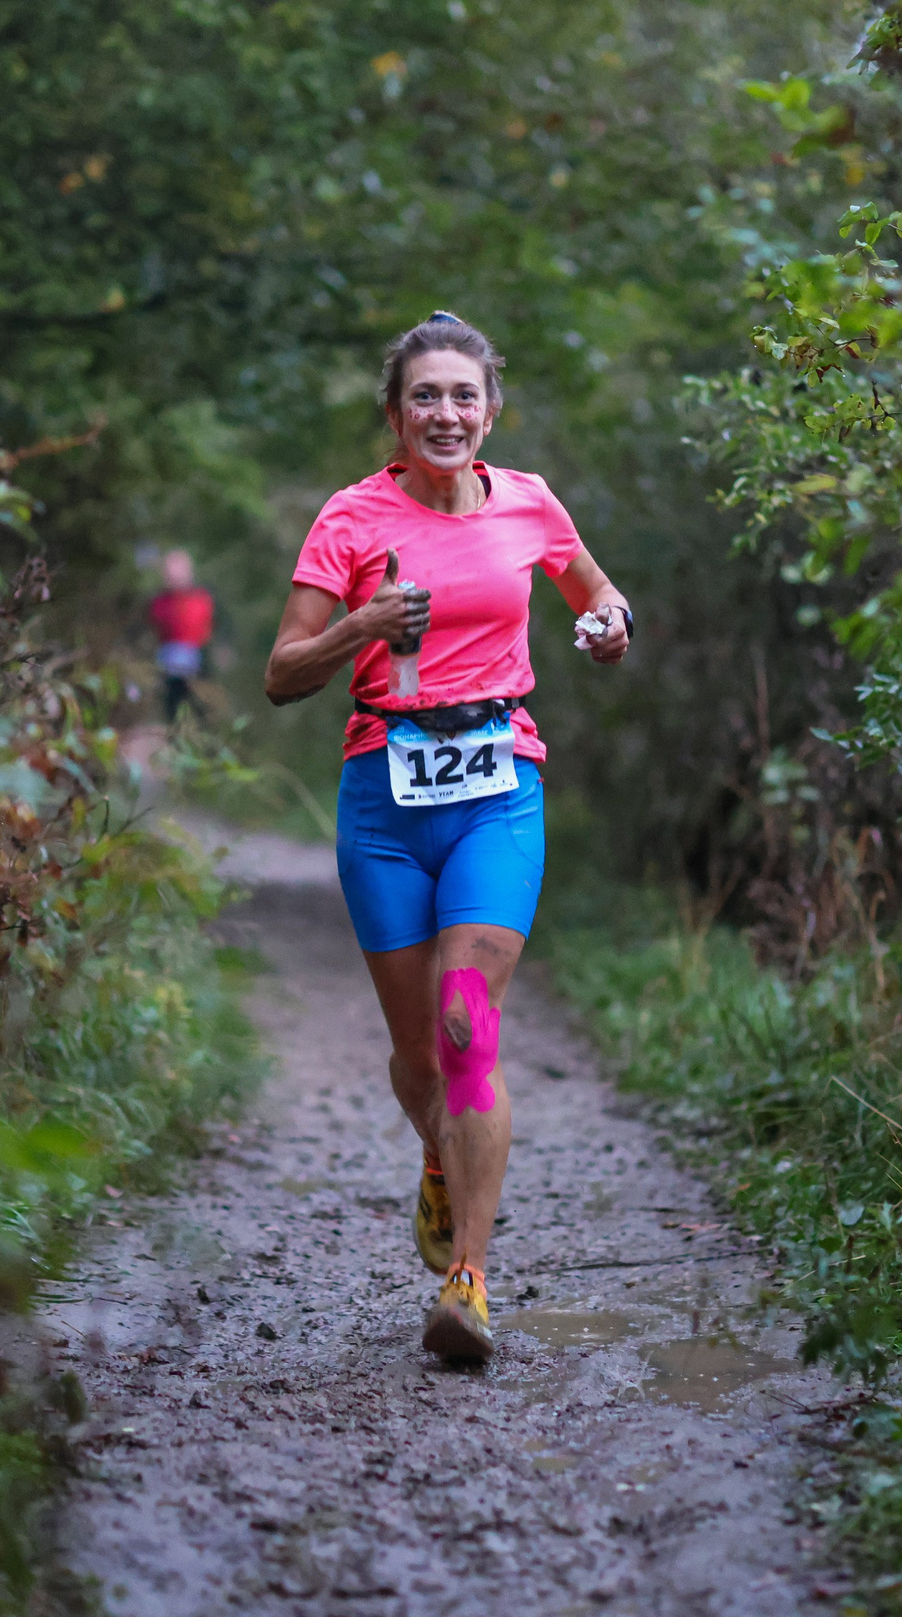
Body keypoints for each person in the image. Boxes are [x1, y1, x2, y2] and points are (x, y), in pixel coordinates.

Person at [262, 311, 632, 1362]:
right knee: (419, 1054)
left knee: (468, 1026)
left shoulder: (529, 502)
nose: (445, 412)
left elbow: (598, 592)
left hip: (496, 791)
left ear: (490, 412)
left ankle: (467, 1280)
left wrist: (612, 625)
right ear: (394, 414)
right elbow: (282, 673)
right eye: (424, 395)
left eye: (463, 395)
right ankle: (440, 1154)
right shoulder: (349, 518)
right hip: (383, 800)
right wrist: (361, 626)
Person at [148, 548, 215, 722]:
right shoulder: (159, 603)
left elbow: (208, 632)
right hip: (168, 665)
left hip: (197, 664)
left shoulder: (202, 600)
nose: (174, 576)